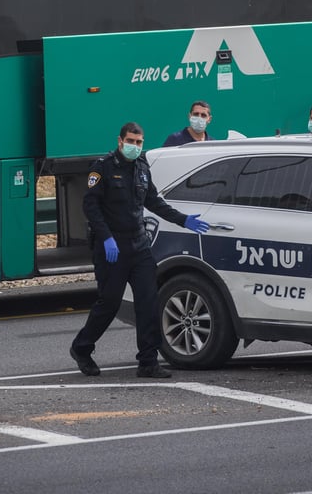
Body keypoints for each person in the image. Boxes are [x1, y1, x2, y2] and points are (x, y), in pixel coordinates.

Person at [70, 122, 210, 378]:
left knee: (148, 302)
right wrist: (106, 238)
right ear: (120, 141)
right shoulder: (102, 168)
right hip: (111, 248)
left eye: (139, 142)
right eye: (131, 141)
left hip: (139, 246)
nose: (135, 146)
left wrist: (183, 219)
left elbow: (154, 201)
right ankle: (81, 348)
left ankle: (148, 361)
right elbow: (91, 207)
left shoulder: (142, 169)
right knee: (109, 303)